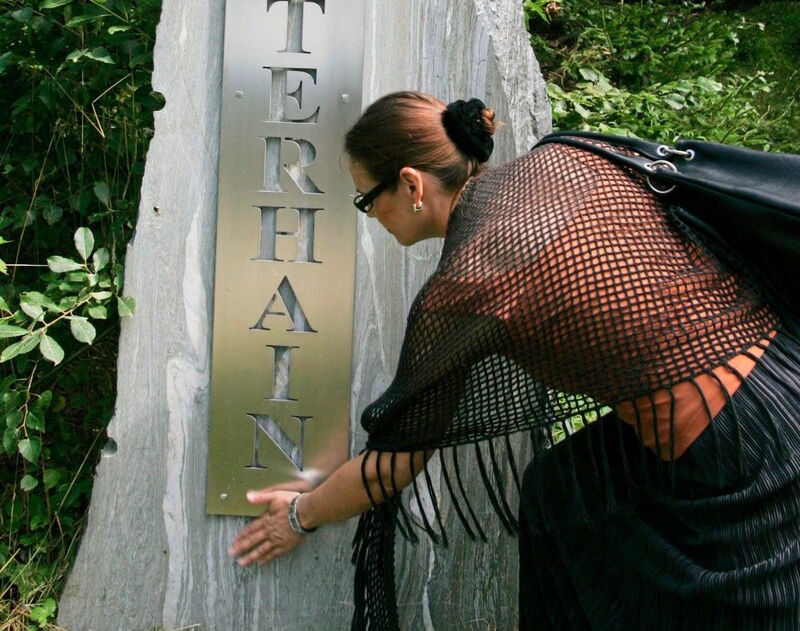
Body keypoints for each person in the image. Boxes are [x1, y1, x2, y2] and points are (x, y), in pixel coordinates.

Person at [229, 91, 800, 630]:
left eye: (365, 199)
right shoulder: (566, 155)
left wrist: (300, 515)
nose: (369, 215)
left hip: (743, 454)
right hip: (784, 367)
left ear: (410, 184)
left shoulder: (468, 282)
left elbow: (393, 465)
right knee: (557, 493)